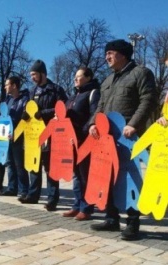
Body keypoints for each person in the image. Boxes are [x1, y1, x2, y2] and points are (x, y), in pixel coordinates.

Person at [89, 39, 158, 240]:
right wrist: (94, 123)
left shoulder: (141, 73)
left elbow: (149, 100)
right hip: (107, 139)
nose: (106, 57)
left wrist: (134, 124)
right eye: (106, 53)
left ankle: (133, 222)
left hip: (129, 138)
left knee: (130, 180)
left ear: (123, 54)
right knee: (107, 177)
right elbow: (100, 106)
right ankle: (111, 219)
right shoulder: (108, 80)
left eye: (110, 53)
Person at [19, 59, 68, 208]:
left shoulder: (56, 90)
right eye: (31, 75)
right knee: (34, 165)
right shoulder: (32, 91)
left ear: (42, 73)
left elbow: (62, 108)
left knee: (50, 166)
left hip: (49, 133)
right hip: (33, 134)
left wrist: (44, 113)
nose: (32, 77)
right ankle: (33, 195)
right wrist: (25, 114)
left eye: (34, 74)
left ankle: (52, 198)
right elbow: (29, 107)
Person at [63, 67, 100, 221]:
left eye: (79, 76)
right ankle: (77, 204)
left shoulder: (93, 93)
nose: (75, 79)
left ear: (89, 77)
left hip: (84, 140)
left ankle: (87, 207)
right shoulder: (73, 96)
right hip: (71, 140)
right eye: (75, 76)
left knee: (85, 175)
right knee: (76, 174)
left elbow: (94, 115)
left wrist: (83, 132)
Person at [0, 76, 30, 197]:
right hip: (6, 136)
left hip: (18, 137)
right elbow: (4, 115)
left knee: (19, 164)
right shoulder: (8, 100)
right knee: (9, 163)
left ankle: (23, 190)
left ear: (14, 86)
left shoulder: (25, 100)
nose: (5, 87)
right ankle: (12, 188)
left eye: (7, 84)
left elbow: (24, 119)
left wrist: (16, 133)